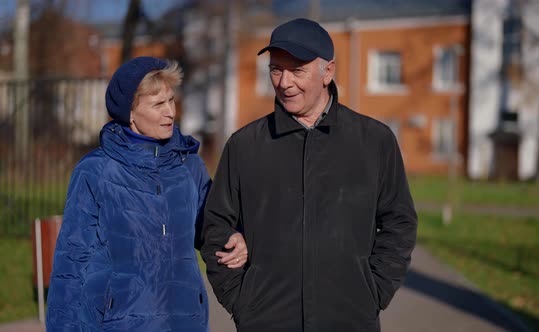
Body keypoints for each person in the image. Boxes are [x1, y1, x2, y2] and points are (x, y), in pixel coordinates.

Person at [201, 18, 418, 332]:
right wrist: (242, 301)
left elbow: (400, 222)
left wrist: (373, 293)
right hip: (265, 321)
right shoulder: (244, 146)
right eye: (276, 69)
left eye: (297, 71)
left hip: (350, 320)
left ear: (327, 72)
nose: (284, 82)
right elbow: (215, 226)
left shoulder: (374, 141)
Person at [46, 56, 248, 331]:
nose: (170, 112)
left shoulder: (189, 165)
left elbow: (211, 226)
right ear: (130, 113)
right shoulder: (96, 171)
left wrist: (232, 234)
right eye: (157, 104)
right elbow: (71, 261)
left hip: (185, 320)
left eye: (171, 100)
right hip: (119, 323)